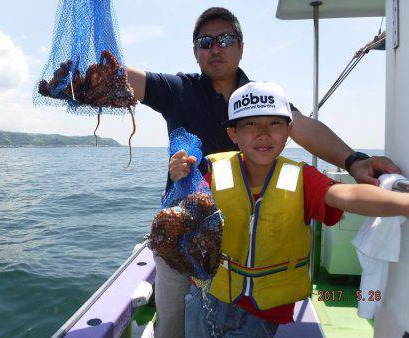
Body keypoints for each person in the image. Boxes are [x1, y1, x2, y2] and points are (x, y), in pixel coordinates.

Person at [124, 7, 401, 337]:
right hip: (182, 235)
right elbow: (125, 79)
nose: (215, 47)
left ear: (241, 46)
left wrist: (354, 161)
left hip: (238, 241)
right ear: (195, 51)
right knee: (175, 323)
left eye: (225, 39)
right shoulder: (177, 89)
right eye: (205, 41)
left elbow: (306, 128)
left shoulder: (260, 97)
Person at [169, 81, 409, 337]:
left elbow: (345, 193)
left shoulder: (302, 178)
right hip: (208, 294)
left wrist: (404, 203)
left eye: (274, 123)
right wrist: (179, 175)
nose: (262, 133)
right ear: (233, 134)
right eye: (250, 124)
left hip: (263, 313)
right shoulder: (211, 172)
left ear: (288, 131)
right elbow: (184, 215)